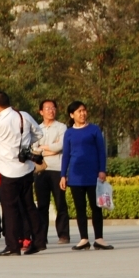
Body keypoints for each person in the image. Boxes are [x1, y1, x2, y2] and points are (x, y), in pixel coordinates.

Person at [0, 91, 44, 256]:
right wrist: (25, 143)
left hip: (8, 171)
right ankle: (39, 241)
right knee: (29, 206)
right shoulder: (23, 116)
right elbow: (39, 133)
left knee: (10, 209)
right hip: (25, 168)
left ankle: (13, 246)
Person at [60, 101, 111, 250]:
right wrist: (63, 175)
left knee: (96, 207)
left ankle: (99, 238)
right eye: (79, 111)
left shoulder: (94, 129)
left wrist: (102, 169)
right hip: (76, 175)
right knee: (80, 207)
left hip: (93, 174)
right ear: (72, 115)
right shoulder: (69, 133)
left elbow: (101, 151)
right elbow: (66, 155)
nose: (82, 113)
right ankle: (84, 239)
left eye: (84, 110)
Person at [34, 99, 70, 244]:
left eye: (53, 108)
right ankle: (42, 236)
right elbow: (33, 148)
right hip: (41, 170)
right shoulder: (37, 128)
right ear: (41, 112)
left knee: (60, 203)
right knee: (42, 205)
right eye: (48, 108)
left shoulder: (61, 127)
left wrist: (43, 149)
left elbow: (61, 146)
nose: (51, 110)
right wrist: (50, 149)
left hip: (57, 169)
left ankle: (63, 235)